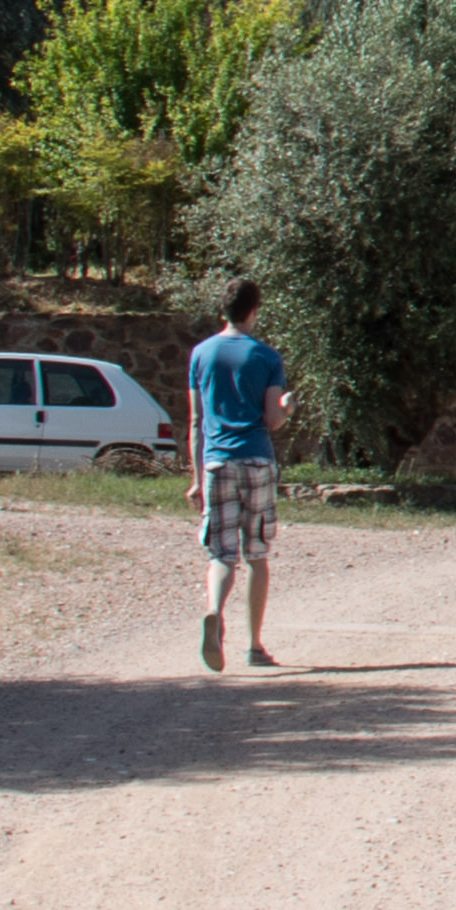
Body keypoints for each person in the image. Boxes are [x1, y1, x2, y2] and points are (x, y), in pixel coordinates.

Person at [190, 277, 291, 668]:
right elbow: (272, 419)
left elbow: (196, 421)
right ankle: (254, 646)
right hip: (256, 460)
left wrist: (196, 479)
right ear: (254, 310)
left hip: (217, 462)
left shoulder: (201, 354)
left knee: (221, 554)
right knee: (257, 555)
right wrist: (288, 407)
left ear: (224, 309)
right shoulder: (266, 357)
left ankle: (214, 612)